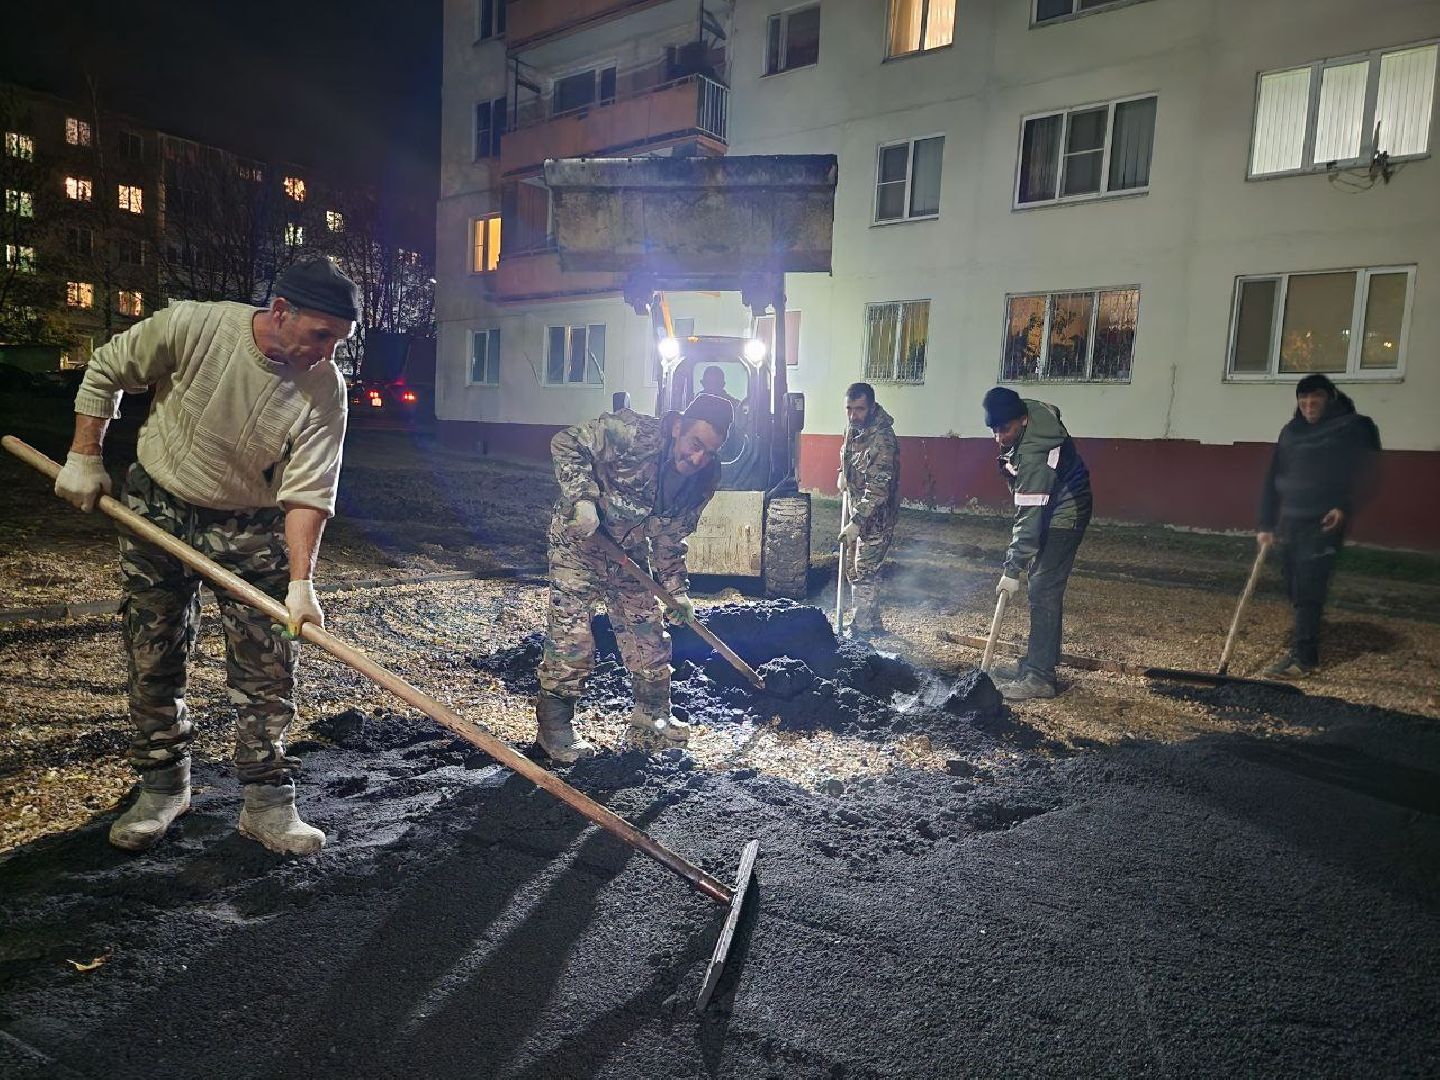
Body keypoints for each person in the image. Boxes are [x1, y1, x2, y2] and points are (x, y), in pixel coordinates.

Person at [53, 257, 359, 854]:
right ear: (280, 311)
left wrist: (301, 583)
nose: (326, 352)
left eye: (337, 342)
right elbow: (106, 370)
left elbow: (309, 489)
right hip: (158, 504)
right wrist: (85, 455)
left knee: (268, 664)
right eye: (321, 335)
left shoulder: (325, 389)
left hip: (249, 523)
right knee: (153, 651)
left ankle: (268, 804)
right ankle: (163, 786)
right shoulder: (194, 326)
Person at [535, 394, 733, 763]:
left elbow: (671, 538)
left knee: (648, 630)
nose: (697, 459)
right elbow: (566, 442)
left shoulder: (704, 478)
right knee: (572, 636)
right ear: (677, 428)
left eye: (709, 451)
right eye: (695, 445)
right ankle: (555, 730)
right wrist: (582, 498)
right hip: (580, 541)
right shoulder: (632, 434)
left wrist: (677, 591)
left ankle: (651, 717)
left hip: (627, 554)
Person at [1257, 374, 1380, 677]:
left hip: (1323, 524)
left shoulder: (1352, 429)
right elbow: (1273, 477)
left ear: (1329, 398)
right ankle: (1305, 634)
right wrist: (1266, 522)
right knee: (1295, 587)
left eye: (1316, 398)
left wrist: (1345, 506)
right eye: (1304, 399)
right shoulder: (1291, 432)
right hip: (1290, 521)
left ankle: (1305, 658)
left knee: (1310, 587)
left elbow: (1368, 474)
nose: (1309, 405)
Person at [982, 386, 1092, 701]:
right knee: (1043, 584)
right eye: (994, 430)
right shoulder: (1026, 411)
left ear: (1024, 420)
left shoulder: (1033, 456)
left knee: (1043, 585)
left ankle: (1040, 678)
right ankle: (1038, 661)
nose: (1000, 437)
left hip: (1067, 508)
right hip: (1051, 499)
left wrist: (1012, 569)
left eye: (1006, 429)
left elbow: (1028, 520)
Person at [837, 382, 899, 635]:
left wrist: (856, 523)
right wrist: (841, 472)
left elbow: (878, 490)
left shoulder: (883, 440)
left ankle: (860, 630)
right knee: (853, 569)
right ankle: (874, 623)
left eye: (859, 409)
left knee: (863, 571)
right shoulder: (853, 428)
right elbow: (847, 454)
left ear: (872, 407)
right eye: (849, 409)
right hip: (856, 512)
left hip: (877, 519)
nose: (853, 415)